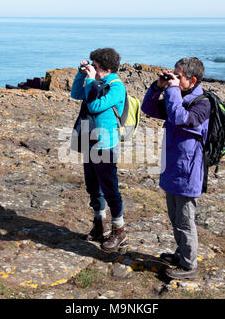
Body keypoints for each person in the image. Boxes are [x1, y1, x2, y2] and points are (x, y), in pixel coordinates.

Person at [141, 57, 211, 280]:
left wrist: (171, 90)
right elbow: (148, 108)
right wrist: (158, 87)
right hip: (173, 167)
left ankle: (189, 265)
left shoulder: (202, 103)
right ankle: (181, 254)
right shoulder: (178, 97)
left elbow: (181, 119)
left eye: (177, 76)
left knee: (185, 220)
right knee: (175, 217)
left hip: (189, 172)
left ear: (192, 80)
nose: (174, 78)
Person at [70, 48, 127, 251]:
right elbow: (76, 93)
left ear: (107, 68)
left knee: (110, 188)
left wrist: (93, 82)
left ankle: (119, 230)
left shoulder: (117, 87)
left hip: (105, 144)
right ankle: (99, 224)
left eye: (95, 65)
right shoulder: (96, 80)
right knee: (93, 186)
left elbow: (94, 106)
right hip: (89, 139)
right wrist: (81, 74)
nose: (92, 68)